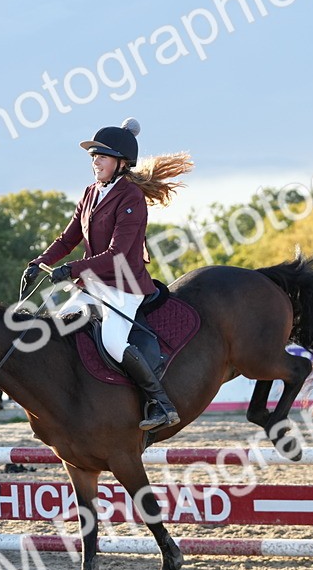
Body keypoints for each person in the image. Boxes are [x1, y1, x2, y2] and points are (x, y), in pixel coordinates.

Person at [21, 118, 192, 430]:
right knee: (57, 330)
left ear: (120, 163)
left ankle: (161, 403)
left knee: (113, 341)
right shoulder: (89, 193)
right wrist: (38, 262)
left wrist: (70, 269)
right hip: (90, 283)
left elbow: (116, 256)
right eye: (93, 157)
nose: (95, 162)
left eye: (101, 156)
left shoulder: (131, 198)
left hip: (123, 285)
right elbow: (67, 239)